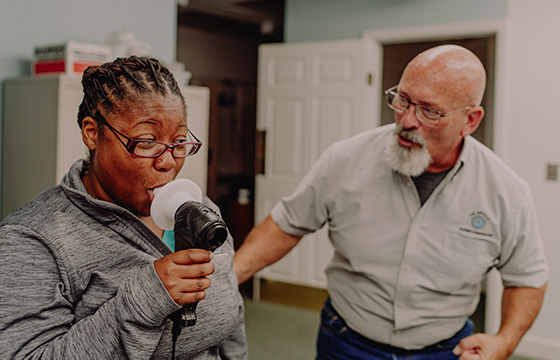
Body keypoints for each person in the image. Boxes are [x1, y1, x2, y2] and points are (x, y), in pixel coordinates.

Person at [234, 45, 548, 359]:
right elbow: (286, 224)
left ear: (470, 120)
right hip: (346, 342)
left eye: (429, 111)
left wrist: (505, 341)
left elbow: (527, 278)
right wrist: (229, 276)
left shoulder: (506, 192)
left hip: (445, 350)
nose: (407, 120)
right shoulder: (344, 159)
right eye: (403, 99)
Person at [0, 56, 247, 359]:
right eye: (146, 141)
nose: (168, 161)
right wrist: (145, 299)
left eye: (179, 142)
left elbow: (231, 325)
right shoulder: (31, 240)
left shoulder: (201, 212)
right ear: (92, 133)